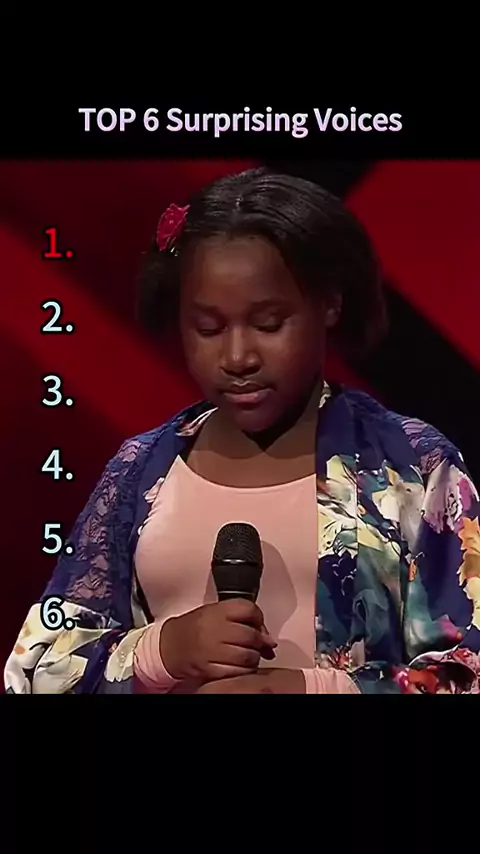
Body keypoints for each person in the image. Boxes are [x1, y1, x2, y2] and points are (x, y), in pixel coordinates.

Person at [5, 167, 480, 695]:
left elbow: (468, 670)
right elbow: (32, 673)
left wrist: (313, 690)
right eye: (208, 328)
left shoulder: (412, 463)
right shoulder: (139, 470)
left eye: (268, 324)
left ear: (329, 302)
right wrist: (161, 652)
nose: (237, 357)